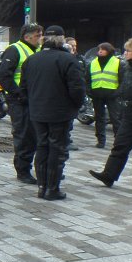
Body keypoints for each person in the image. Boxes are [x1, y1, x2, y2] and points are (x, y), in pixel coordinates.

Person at [19, 25, 85, 200]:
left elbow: (23, 88)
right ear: (62, 40)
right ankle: (52, 188)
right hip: (60, 112)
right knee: (57, 148)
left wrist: (33, 103)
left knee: (42, 146)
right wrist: (75, 106)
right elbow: (77, 89)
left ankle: (42, 187)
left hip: (38, 111)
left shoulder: (31, 60)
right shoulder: (68, 60)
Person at [89, 37, 132, 194]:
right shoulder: (129, 67)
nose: (125, 53)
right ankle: (109, 175)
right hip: (129, 114)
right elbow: (125, 87)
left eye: (128, 50)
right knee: (120, 146)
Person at [0, 23, 43, 184]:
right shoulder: (14, 49)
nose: (40, 38)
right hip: (20, 101)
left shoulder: (38, 50)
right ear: (27, 37)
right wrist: (18, 94)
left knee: (35, 135)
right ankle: (23, 171)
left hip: (34, 99)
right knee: (24, 136)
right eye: (37, 35)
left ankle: (34, 168)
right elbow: (4, 75)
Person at [88, 42, 124, 148]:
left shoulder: (118, 63)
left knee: (115, 118)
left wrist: (117, 92)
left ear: (109, 51)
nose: (100, 51)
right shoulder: (92, 63)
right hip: (97, 94)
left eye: (103, 49)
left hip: (112, 95)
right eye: (99, 49)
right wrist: (89, 91)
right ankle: (101, 141)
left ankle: (118, 141)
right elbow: (87, 79)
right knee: (99, 118)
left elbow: (123, 80)